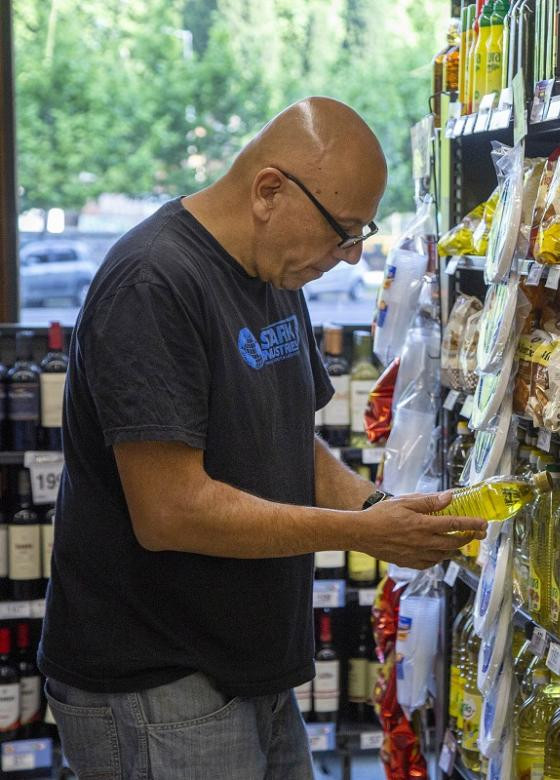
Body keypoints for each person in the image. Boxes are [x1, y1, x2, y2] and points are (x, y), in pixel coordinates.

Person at [37, 97, 485, 779]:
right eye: (344, 231)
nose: (352, 255)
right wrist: (357, 534)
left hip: (246, 671)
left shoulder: (274, 270)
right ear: (270, 190)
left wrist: (373, 509)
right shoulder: (153, 285)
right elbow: (169, 511)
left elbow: (284, 438)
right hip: (160, 683)